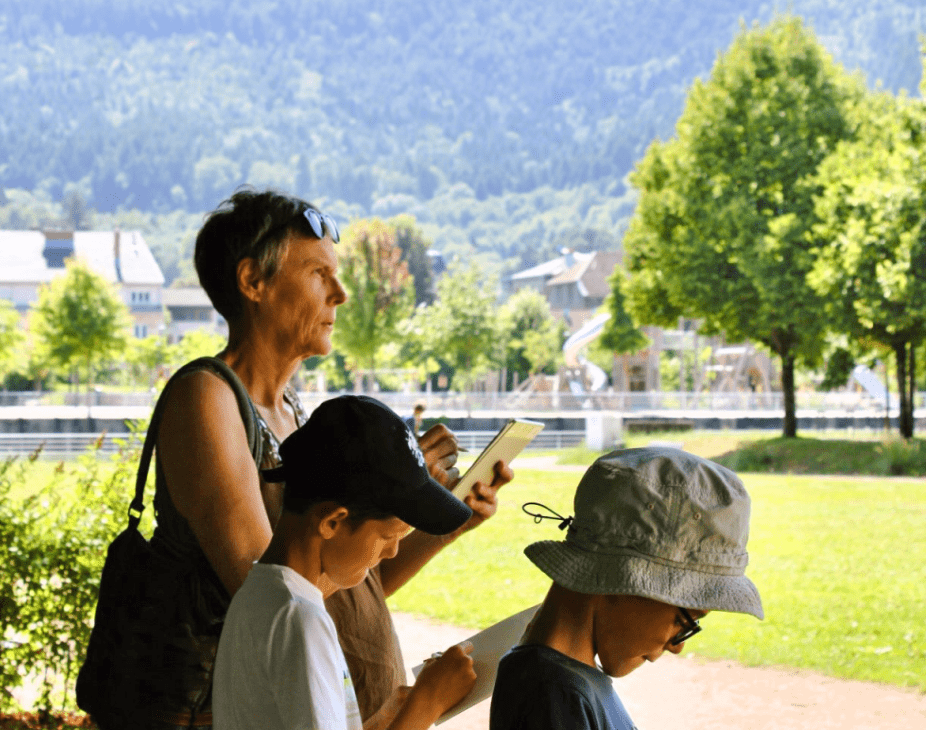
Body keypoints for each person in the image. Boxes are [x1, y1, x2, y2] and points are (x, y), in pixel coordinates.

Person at [146, 188, 511, 728]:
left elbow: (347, 573)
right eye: (319, 273)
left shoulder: (294, 410)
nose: (340, 294)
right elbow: (280, 588)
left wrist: (431, 512)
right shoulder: (208, 400)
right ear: (253, 283)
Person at [213, 395, 476, 730]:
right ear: (332, 522)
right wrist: (429, 702)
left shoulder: (262, 596)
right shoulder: (300, 620)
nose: (393, 551)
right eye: (387, 535)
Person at [490, 446, 764, 730]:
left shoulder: (567, 681)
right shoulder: (553, 694)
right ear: (623, 580)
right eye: (684, 621)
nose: (678, 646)